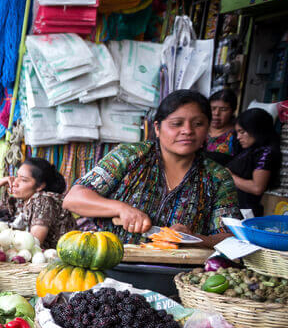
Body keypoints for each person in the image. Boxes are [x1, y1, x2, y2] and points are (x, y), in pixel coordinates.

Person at [63, 89, 237, 247]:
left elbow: (231, 237)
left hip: (177, 273)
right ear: (157, 128)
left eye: (198, 124)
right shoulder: (130, 155)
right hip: (109, 262)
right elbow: (74, 199)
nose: (187, 131)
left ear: (207, 129)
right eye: (177, 123)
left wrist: (194, 239)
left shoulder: (217, 177)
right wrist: (121, 209)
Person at [0, 158, 77, 247]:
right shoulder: (18, 199)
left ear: (40, 186)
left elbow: (32, 244)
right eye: (16, 176)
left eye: (23, 180)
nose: (15, 183)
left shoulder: (44, 201)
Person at [227, 108, 281, 216]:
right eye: (237, 132)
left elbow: (257, 188)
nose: (238, 137)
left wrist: (230, 176)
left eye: (242, 132)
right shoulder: (250, 150)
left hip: (246, 212)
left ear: (256, 130)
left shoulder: (266, 153)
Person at [205, 89, 238, 159]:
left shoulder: (238, 135)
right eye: (213, 108)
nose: (216, 113)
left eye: (223, 109)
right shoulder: (200, 129)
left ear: (232, 111)